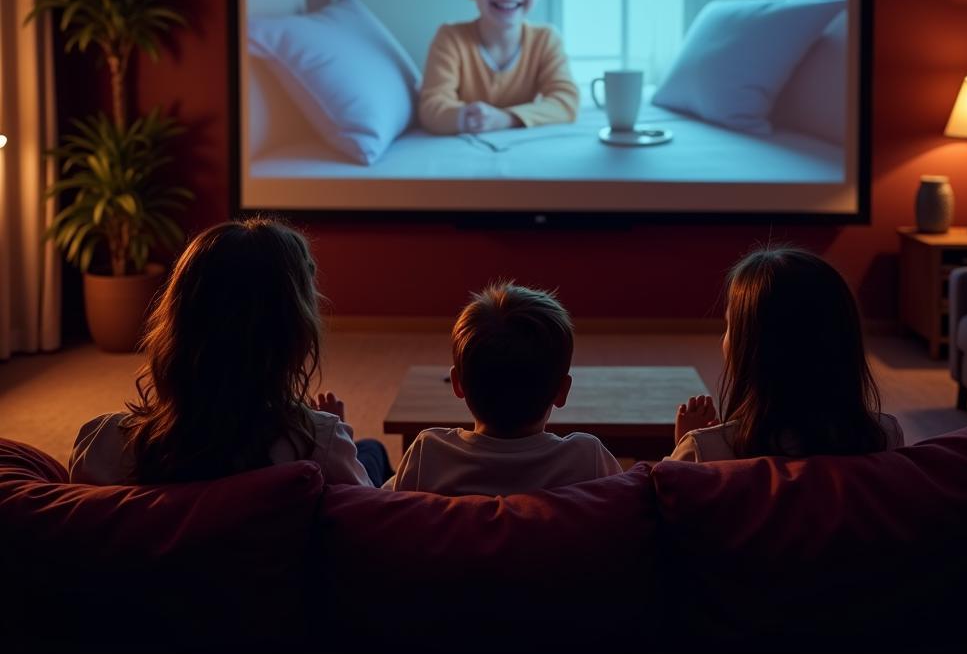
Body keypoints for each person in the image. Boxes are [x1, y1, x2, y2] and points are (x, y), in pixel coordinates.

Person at [69, 218, 392, 487]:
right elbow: (369, 518)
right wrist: (338, 432)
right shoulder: (317, 444)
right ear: (292, 339)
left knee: (370, 450)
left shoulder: (101, 444)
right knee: (371, 451)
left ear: (175, 326)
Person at [669, 247, 904, 462]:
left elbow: (666, 497)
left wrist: (684, 446)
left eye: (729, 325)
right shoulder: (885, 436)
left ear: (750, 349)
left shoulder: (704, 449)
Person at [385, 281, 621, 495]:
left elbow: (386, 507)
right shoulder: (587, 458)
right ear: (562, 390)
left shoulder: (429, 453)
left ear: (457, 384)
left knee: (373, 453)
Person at [417, 0, 579, 135]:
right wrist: (469, 118)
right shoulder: (451, 38)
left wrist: (505, 119)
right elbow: (432, 106)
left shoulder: (546, 39)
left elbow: (566, 101)